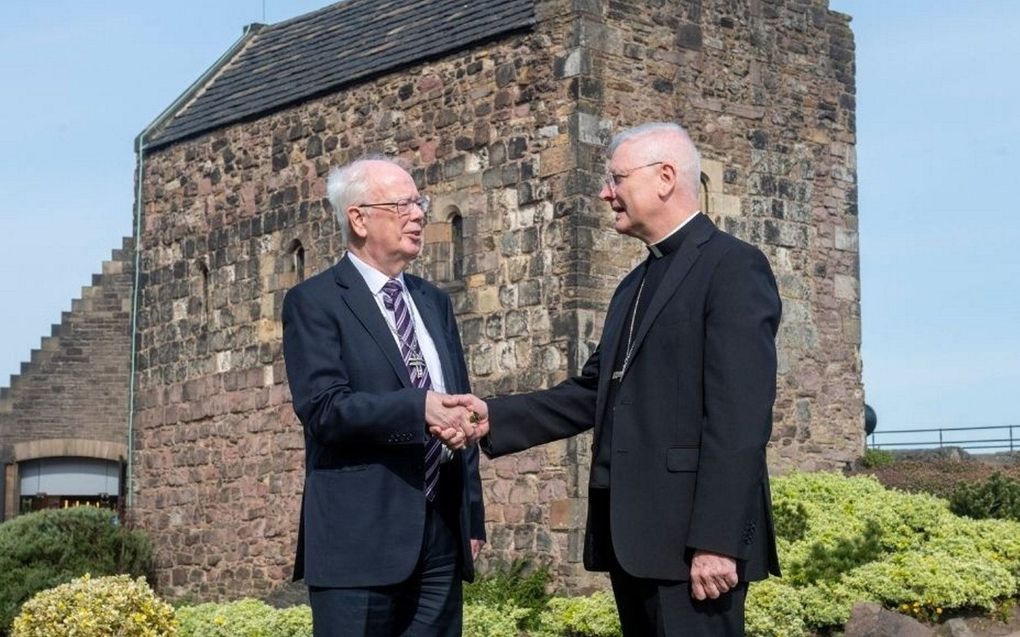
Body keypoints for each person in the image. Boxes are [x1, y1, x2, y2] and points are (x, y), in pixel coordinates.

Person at [448, 122, 782, 635]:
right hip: (637, 542)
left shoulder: (733, 268)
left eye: (616, 179)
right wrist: (495, 417)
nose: (606, 192)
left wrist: (716, 540)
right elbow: (594, 392)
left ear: (665, 178)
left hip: (696, 547)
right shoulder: (633, 283)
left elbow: (740, 417)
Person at [282, 157, 487, 636]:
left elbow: (460, 403)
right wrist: (418, 407)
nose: (418, 215)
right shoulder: (315, 302)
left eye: (420, 203)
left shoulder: (434, 302)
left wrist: (470, 516)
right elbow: (325, 410)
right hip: (359, 545)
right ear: (358, 218)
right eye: (403, 205)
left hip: (440, 539)